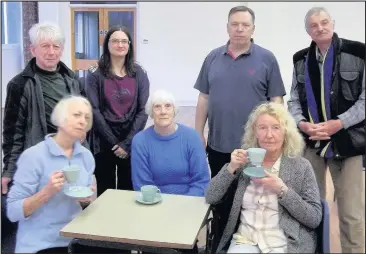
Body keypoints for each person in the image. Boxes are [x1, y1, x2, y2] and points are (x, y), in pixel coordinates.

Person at [1, 22, 85, 252]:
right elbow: (13, 132)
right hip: (38, 162)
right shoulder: (19, 84)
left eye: (56, 46)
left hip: (68, 160)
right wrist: (8, 171)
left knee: (66, 219)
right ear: (33, 50)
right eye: (45, 46)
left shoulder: (72, 80)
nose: (51, 52)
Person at [287, 7, 365, 253]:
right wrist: (301, 124)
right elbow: (293, 100)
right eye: (313, 25)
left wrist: (339, 123)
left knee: (351, 213)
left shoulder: (358, 52)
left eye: (324, 22)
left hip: (347, 142)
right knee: (312, 208)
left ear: (333, 23)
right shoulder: (300, 58)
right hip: (311, 143)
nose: (320, 28)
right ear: (308, 31)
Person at [205, 102, 322, 253]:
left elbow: (314, 218)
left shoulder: (302, 166)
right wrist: (230, 168)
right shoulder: (244, 162)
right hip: (245, 241)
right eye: (262, 128)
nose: (269, 135)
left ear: (286, 132)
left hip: (284, 243)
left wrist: (282, 190)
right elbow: (211, 196)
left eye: (276, 127)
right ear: (255, 132)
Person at [193, 6, 286, 179]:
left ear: (253, 28)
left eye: (245, 24)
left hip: (256, 148)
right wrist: (198, 132)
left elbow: (276, 100)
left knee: (253, 198)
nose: (239, 29)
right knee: (221, 196)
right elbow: (204, 97)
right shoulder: (212, 58)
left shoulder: (267, 58)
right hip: (219, 145)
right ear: (227, 27)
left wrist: (276, 135)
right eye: (234, 24)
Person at [7, 96, 100, 253]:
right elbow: (12, 212)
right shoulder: (33, 156)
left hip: (75, 239)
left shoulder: (86, 156)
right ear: (60, 119)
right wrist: (46, 193)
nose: (83, 121)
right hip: (41, 244)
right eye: (77, 115)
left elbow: (85, 205)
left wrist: (86, 201)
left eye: (87, 117)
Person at [85, 26, 150, 197]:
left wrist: (126, 143)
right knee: (105, 191)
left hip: (131, 140)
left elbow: (143, 110)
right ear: (107, 44)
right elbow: (93, 110)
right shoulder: (95, 74)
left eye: (123, 41)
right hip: (103, 141)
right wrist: (114, 142)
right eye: (115, 41)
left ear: (129, 45)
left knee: (127, 191)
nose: (119, 45)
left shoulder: (139, 74)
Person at [131, 90, 210, 197]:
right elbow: (142, 185)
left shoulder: (192, 137)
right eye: (157, 107)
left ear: (174, 110)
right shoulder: (140, 141)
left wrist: (182, 205)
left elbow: (201, 181)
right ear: (151, 113)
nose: (163, 111)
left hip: (190, 202)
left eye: (168, 106)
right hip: (154, 203)